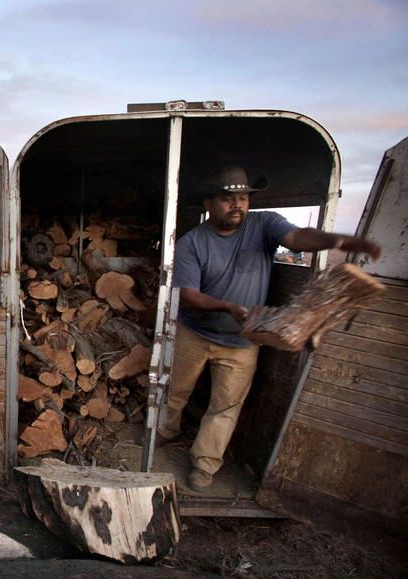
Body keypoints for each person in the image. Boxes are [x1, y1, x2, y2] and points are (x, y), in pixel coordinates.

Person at [159, 165, 381, 490]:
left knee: (225, 406)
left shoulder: (265, 224)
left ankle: (204, 465)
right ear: (208, 204)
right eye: (227, 198)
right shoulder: (192, 243)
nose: (237, 204)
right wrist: (228, 306)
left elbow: (298, 238)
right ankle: (164, 433)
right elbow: (189, 296)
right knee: (175, 391)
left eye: (243, 198)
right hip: (196, 332)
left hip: (243, 340)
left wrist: (339, 240)